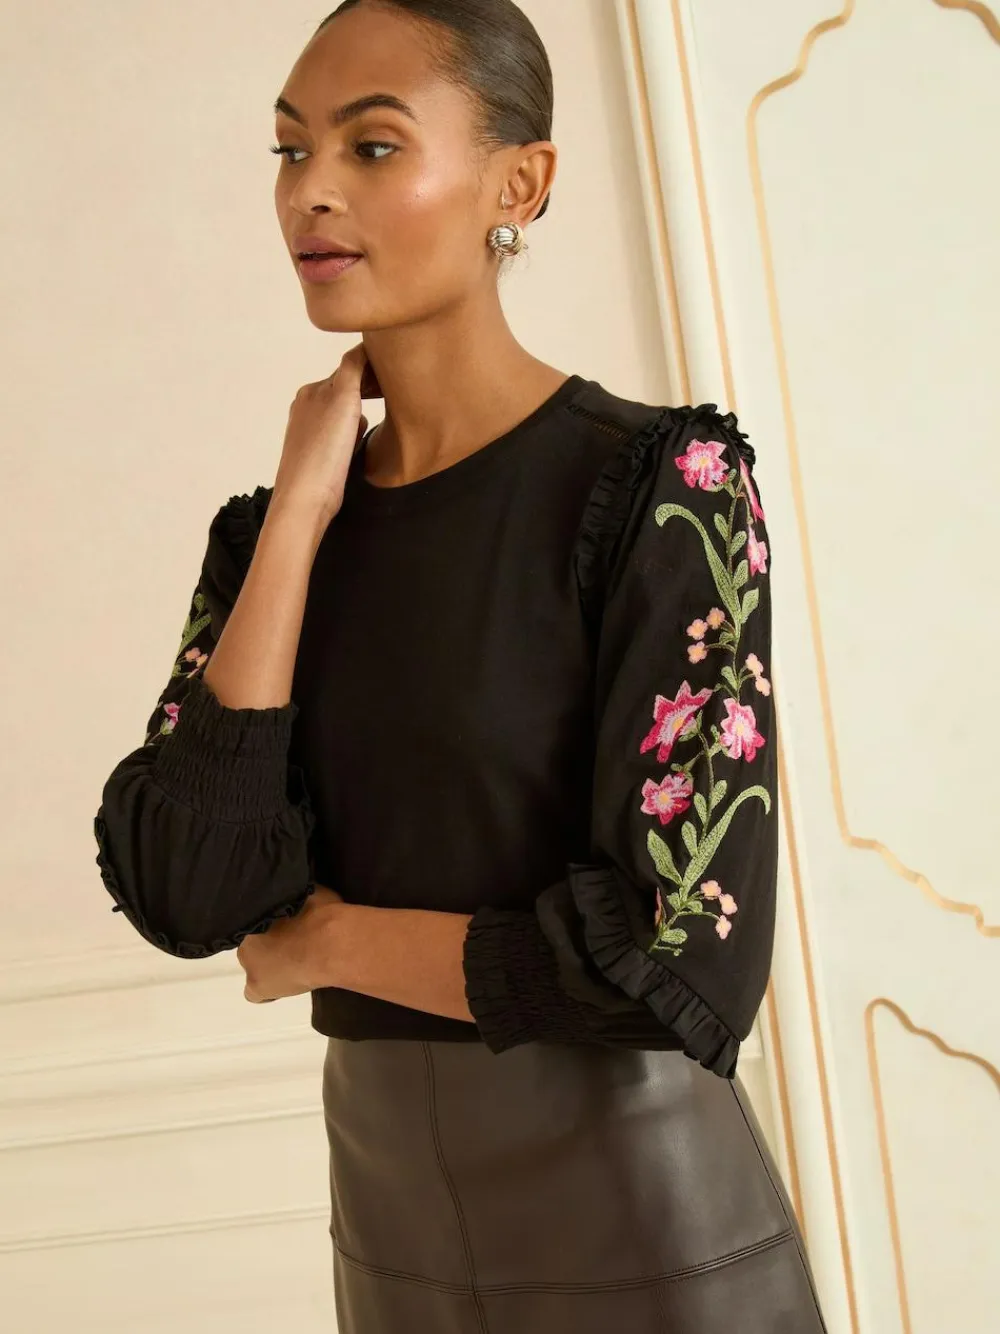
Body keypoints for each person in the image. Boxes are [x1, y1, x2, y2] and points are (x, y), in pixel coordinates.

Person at [92, 1, 828, 1330]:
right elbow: (189, 886)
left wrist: (331, 940)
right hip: (389, 1232)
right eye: (289, 149)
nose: (310, 192)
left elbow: (677, 957)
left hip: (640, 1223)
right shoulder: (271, 542)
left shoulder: (663, 488)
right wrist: (301, 512)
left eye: (371, 147)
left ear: (519, 184)